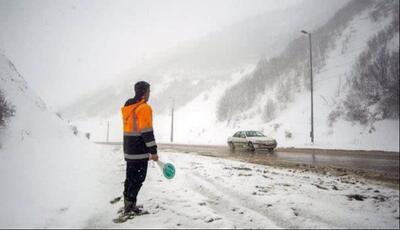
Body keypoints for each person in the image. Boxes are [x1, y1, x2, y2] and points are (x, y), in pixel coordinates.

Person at [121, 81, 158, 214]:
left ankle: (128, 204)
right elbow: (147, 132)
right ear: (144, 92)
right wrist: (153, 151)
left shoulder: (129, 107)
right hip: (139, 151)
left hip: (129, 150)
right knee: (138, 179)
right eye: (149, 91)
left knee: (130, 178)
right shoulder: (144, 108)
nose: (150, 94)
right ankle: (130, 207)